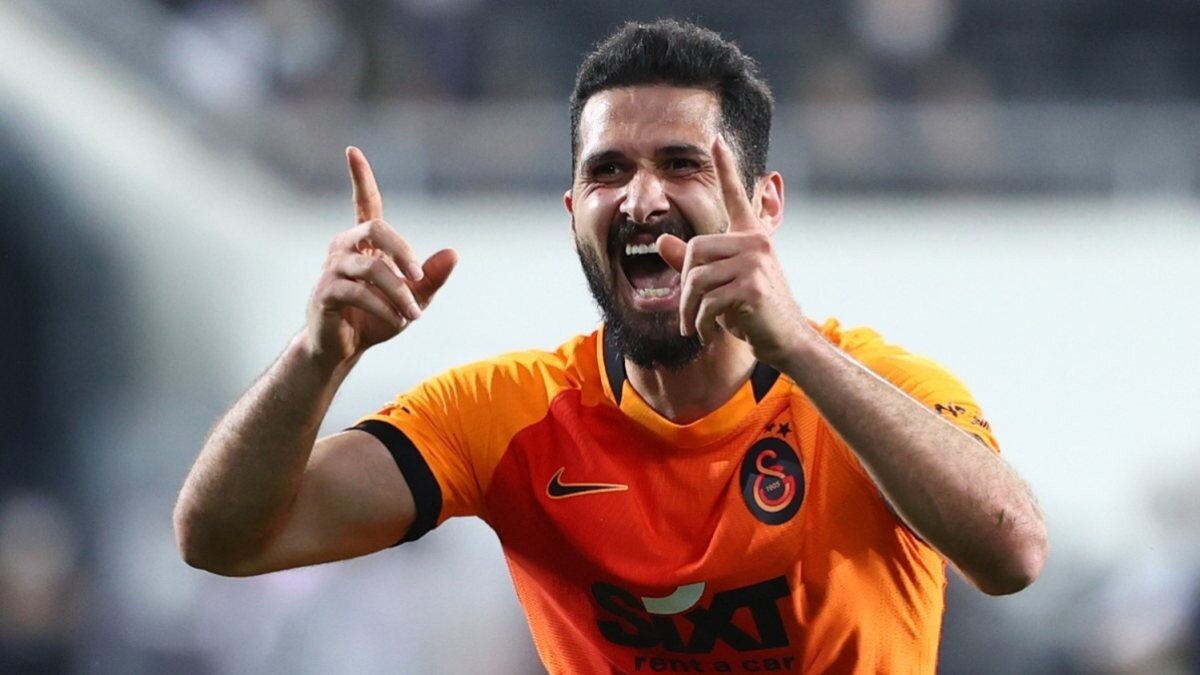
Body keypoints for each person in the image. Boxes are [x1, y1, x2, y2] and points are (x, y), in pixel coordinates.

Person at [174, 19, 1047, 674]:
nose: (641, 200)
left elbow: (1013, 553)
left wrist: (799, 349)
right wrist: (316, 357)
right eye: (607, 171)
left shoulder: (870, 391)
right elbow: (223, 539)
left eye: (682, 163)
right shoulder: (507, 414)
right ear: (572, 213)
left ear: (765, 204)